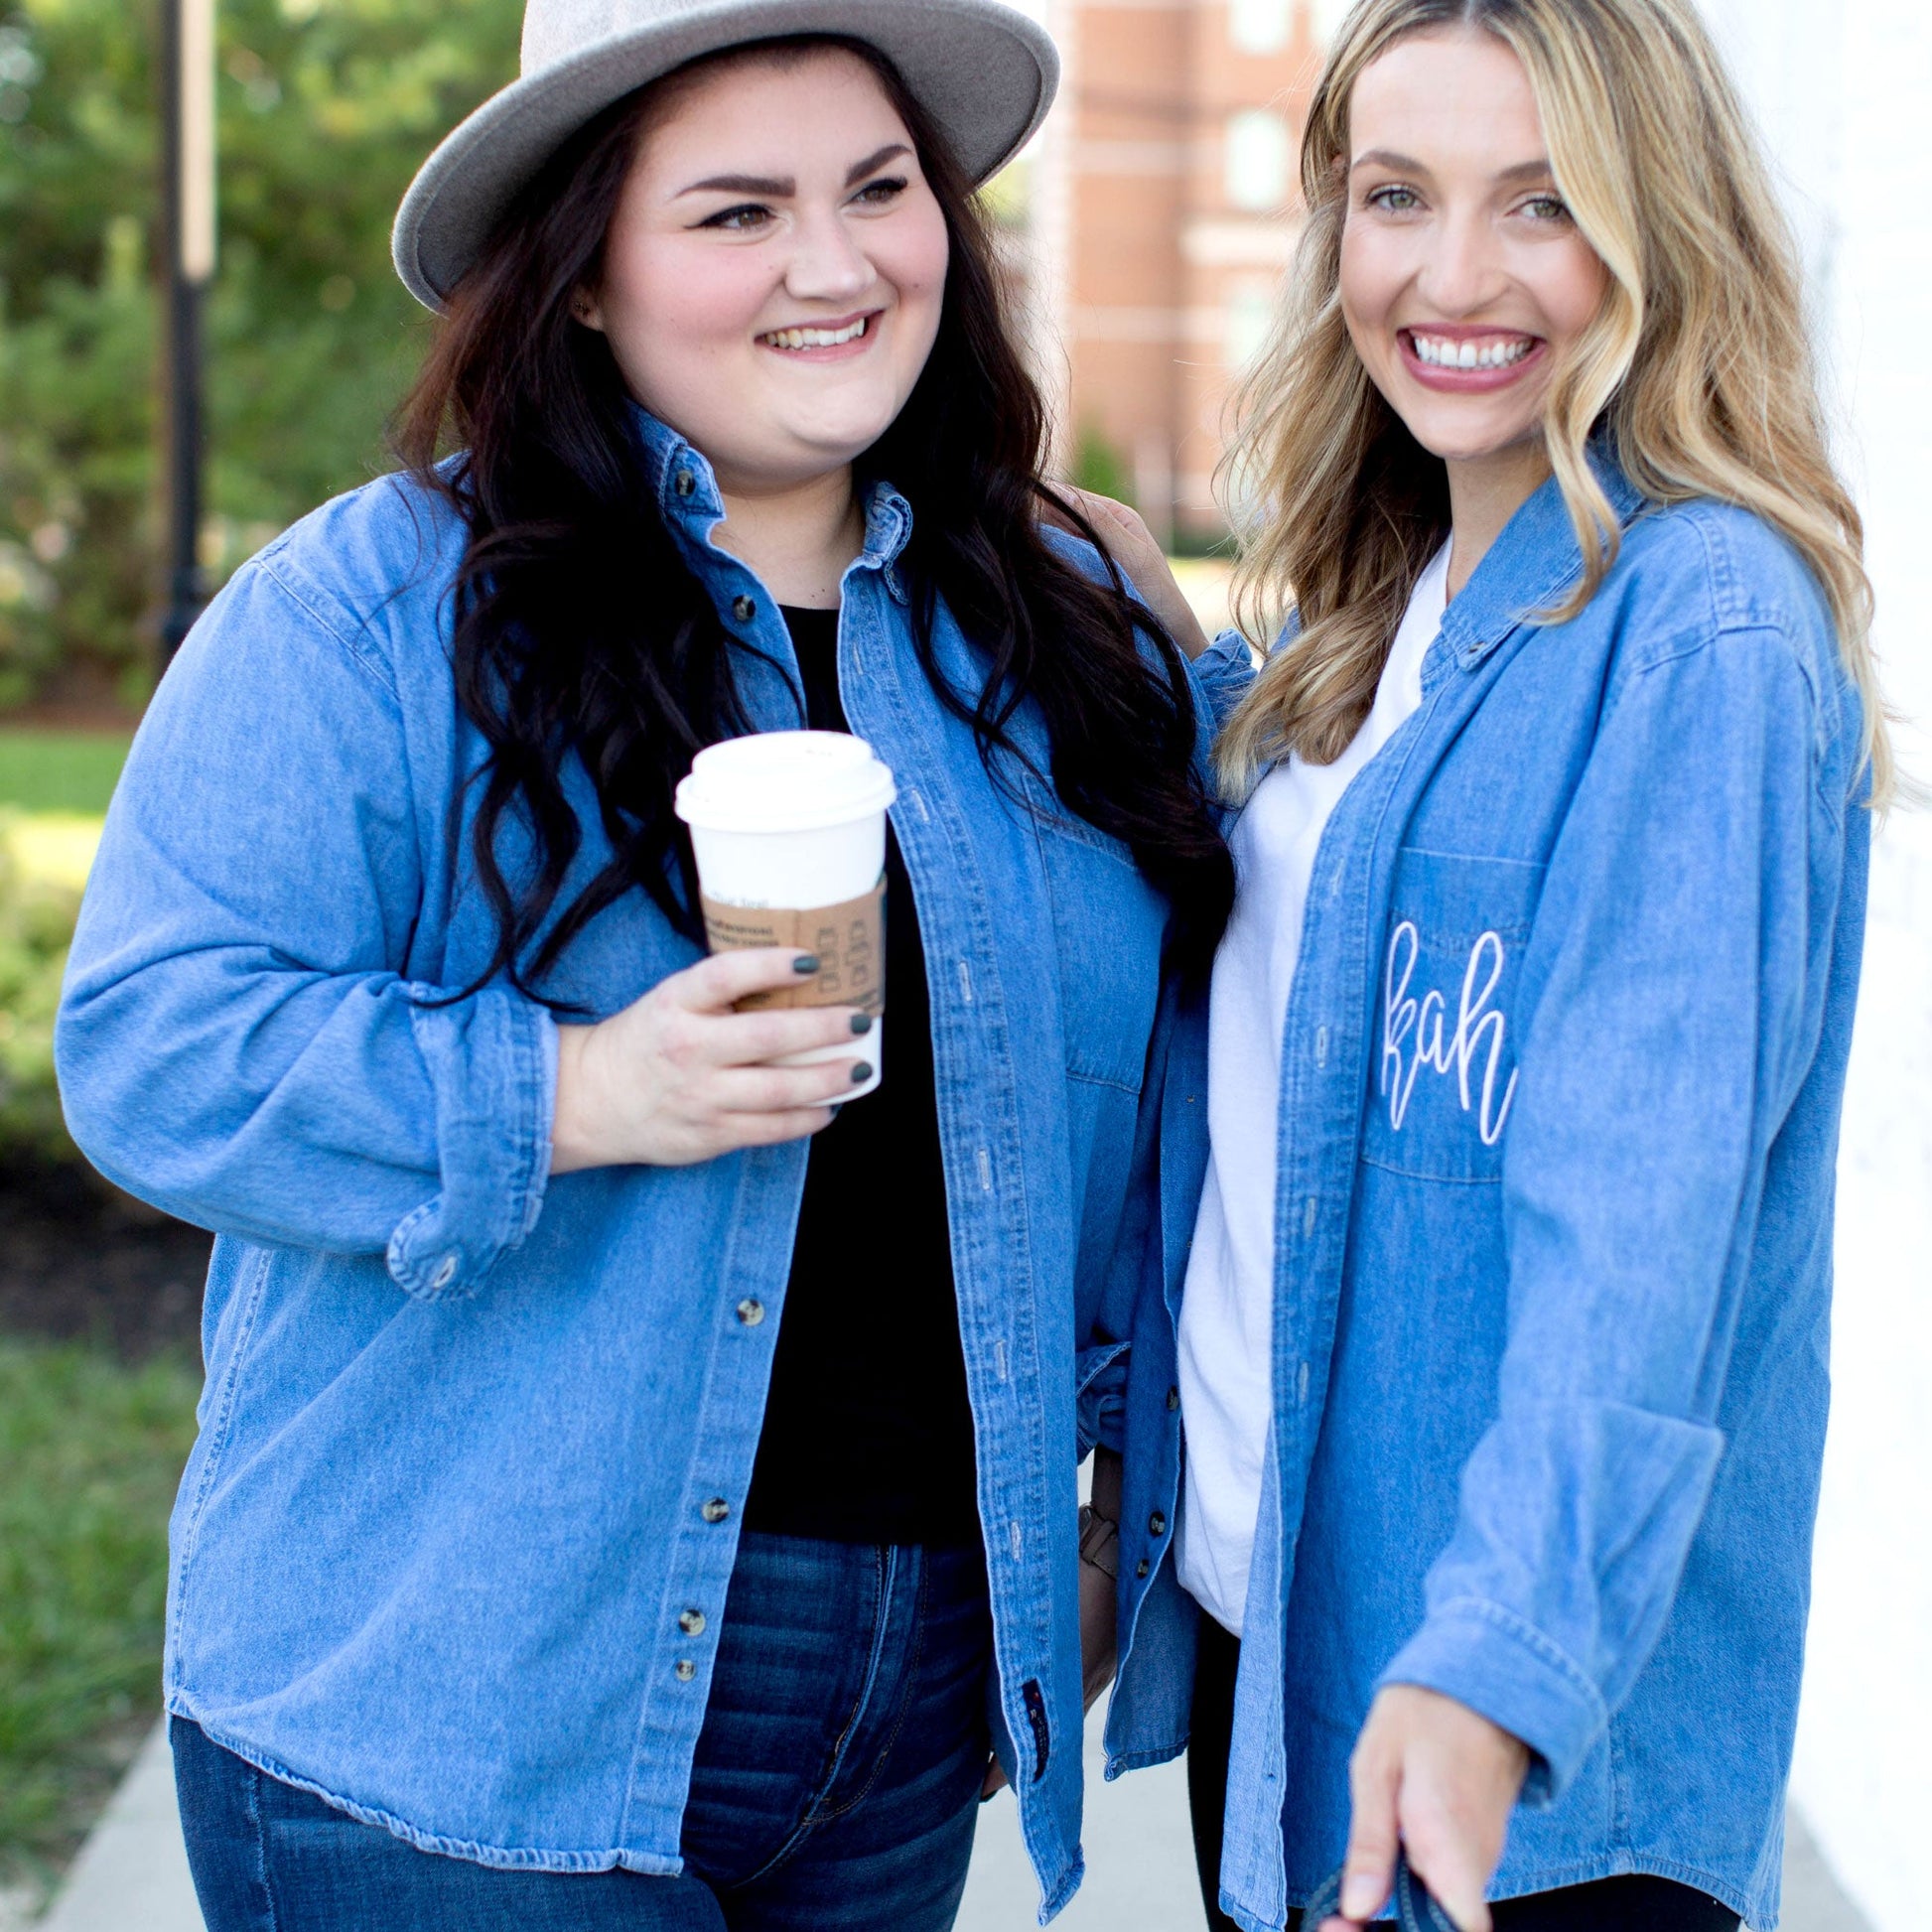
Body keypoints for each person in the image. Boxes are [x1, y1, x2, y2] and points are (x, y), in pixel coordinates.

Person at [53, 3, 1239, 1926]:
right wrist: (573, 1091)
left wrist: (1099, 1498)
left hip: (917, 1671)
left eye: (876, 189)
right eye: (735, 211)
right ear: (586, 274)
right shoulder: (381, 607)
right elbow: (155, 1047)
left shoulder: (1069, 622)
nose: (836, 264)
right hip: (464, 1688)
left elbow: (1164, 1095)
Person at [1113, 1, 1889, 1929]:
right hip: (1286, 1655)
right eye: (1396, 196)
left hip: (1504, 1758)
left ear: (1658, 236)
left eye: (1541, 205)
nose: (1448, 277)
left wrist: (1497, 1666)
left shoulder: (1696, 626)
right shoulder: (1383, 612)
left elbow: (1638, 1230)